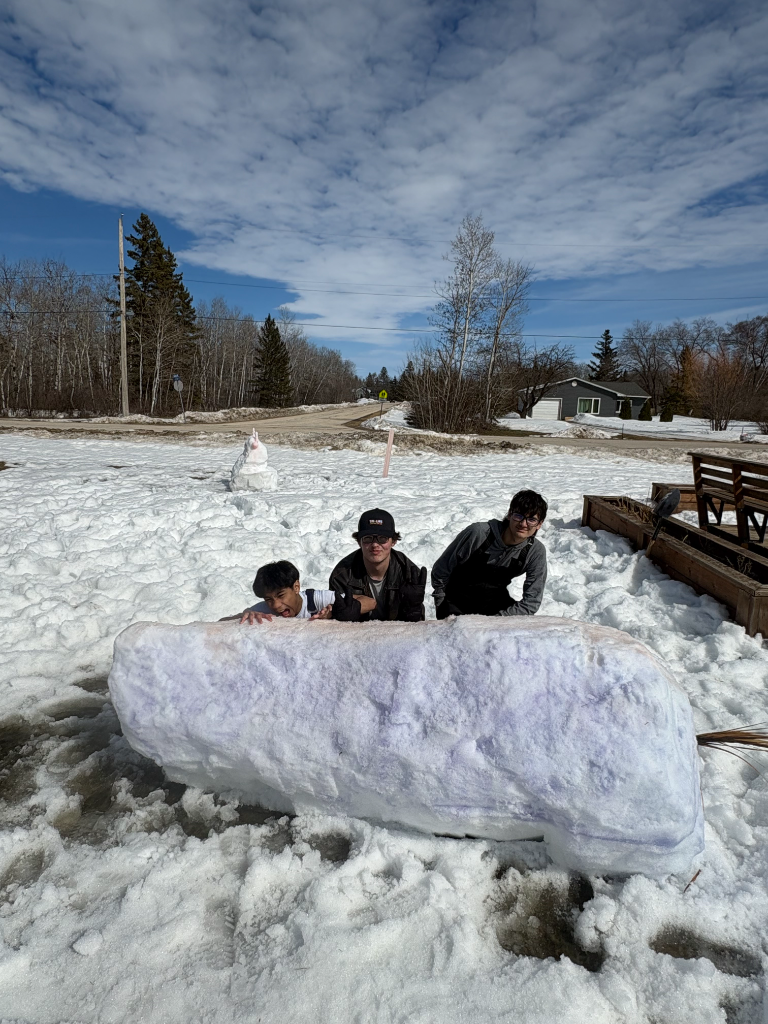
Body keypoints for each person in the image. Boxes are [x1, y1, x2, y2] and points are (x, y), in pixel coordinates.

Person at [431, 489, 548, 618]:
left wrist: (496, 622)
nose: (523, 524)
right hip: (456, 603)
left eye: (531, 519)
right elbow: (441, 569)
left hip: (495, 607)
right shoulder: (479, 533)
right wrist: (441, 605)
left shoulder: (535, 552)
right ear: (509, 515)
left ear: (539, 524)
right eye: (518, 516)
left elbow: (531, 602)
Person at [329, 508, 427, 622]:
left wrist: (413, 610)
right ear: (359, 542)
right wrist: (343, 617)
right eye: (368, 539)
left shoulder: (409, 573)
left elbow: (418, 628)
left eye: (382, 538)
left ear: (393, 541)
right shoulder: (342, 576)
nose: (375, 544)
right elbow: (333, 627)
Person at [233, 560, 337, 624]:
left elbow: (352, 600)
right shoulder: (264, 611)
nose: (276, 605)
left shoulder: (317, 601)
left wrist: (336, 612)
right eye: (268, 599)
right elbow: (221, 623)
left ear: (296, 587)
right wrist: (245, 614)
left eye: (280, 595)